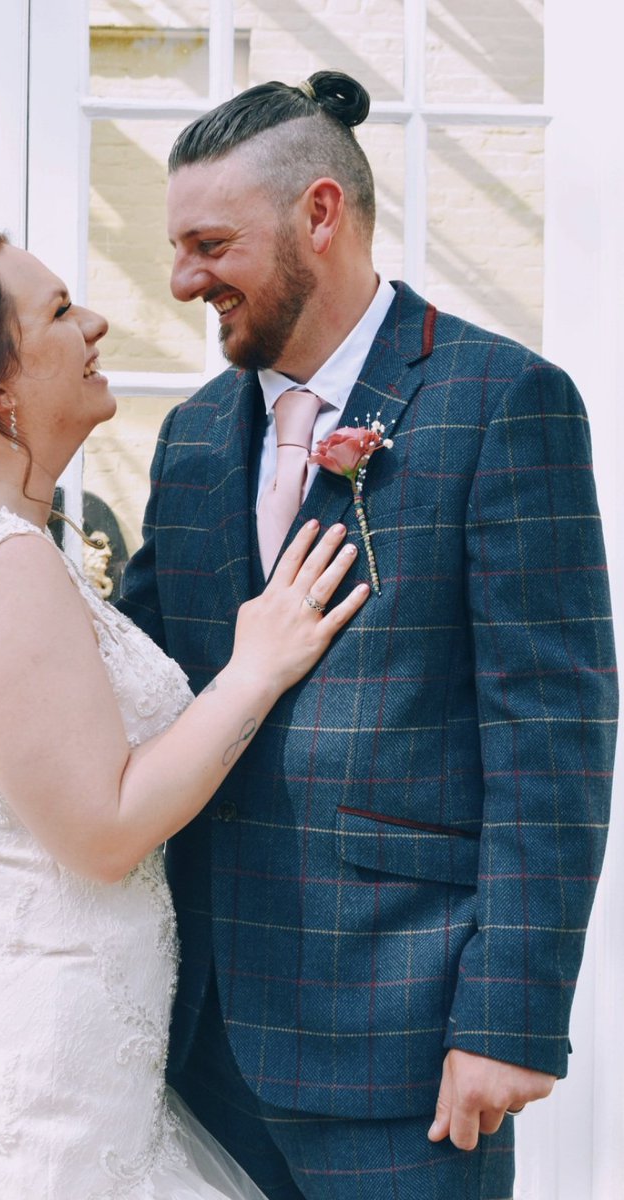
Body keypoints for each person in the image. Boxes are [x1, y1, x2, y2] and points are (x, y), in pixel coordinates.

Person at [117, 70, 618, 1199]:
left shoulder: (502, 400)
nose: (183, 279)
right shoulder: (194, 435)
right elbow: (136, 685)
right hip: (196, 1040)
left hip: (403, 1046)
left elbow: (552, 732)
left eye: (208, 244)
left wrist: (509, 1018)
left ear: (320, 213)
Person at [0, 224, 371, 1199]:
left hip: (55, 1036)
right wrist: (256, 665)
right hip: (36, 1077)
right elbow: (104, 830)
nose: (97, 323)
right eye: (60, 312)